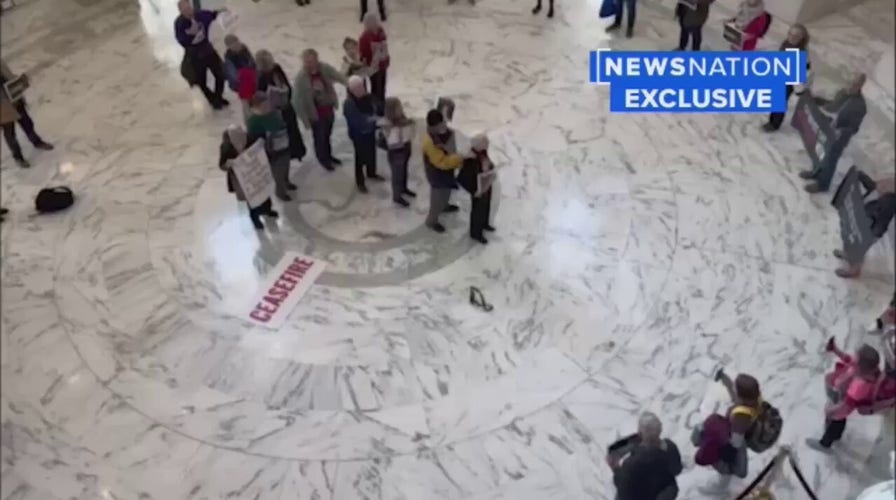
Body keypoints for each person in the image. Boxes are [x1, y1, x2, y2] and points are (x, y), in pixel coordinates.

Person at [808, 342, 882, 452]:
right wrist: (835, 350)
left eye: (856, 358)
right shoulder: (868, 372)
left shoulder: (859, 386)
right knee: (840, 421)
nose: (853, 359)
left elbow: (846, 404)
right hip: (844, 401)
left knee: (835, 423)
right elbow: (849, 359)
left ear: (859, 368)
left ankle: (825, 444)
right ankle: (837, 435)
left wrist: (831, 411)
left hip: (842, 405)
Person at [801, 74, 867, 193]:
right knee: (820, 153)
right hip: (827, 128)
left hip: (840, 136)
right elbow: (832, 105)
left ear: (860, 86)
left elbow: (854, 128)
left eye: (855, 84)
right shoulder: (843, 93)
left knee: (830, 160)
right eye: (850, 82)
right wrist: (817, 101)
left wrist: (842, 130)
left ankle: (823, 184)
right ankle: (815, 172)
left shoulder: (860, 106)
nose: (851, 86)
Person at [700, 370, 762, 493]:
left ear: (742, 396)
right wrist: (723, 377)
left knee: (728, 464)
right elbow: (732, 389)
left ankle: (721, 487)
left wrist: (726, 451)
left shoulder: (741, 416)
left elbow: (736, 442)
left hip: (734, 439)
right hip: (740, 433)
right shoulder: (753, 399)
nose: (734, 389)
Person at [292, 49, 347, 171]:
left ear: (317, 60)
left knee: (327, 135)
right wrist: (305, 121)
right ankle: (323, 159)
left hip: (328, 109)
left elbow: (338, 76)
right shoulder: (301, 78)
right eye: (306, 62)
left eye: (311, 61)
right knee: (319, 138)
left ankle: (328, 155)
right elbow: (296, 102)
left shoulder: (324, 68)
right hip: (315, 115)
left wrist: (350, 84)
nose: (309, 64)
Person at [607, 413, 683, 500]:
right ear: (660, 429)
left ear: (639, 433)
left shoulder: (632, 464)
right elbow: (677, 470)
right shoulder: (670, 448)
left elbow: (623, 490)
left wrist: (616, 469)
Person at [832, 175, 895, 278]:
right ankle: (848, 254)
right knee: (852, 236)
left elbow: (881, 222)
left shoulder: (889, 202)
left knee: (860, 245)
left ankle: (854, 269)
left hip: (876, 224)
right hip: (870, 212)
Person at [219, 124, 279, 229]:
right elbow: (222, 165)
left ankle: (267, 210)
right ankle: (255, 218)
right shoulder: (226, 147)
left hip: (256, 173)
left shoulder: (251, 140)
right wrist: (229, 164)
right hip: (242, 179)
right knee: (251, 198)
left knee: (264, 193)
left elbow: (260, 150)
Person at [174, 0, 229, 110]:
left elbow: (211, 15)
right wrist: (189, 35)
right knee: (201, 81)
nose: (188, 11)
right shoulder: (179, 23)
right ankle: (212, 99)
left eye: (189, 8)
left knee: (220, 74)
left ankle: (218, 98)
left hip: (208, 50)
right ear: (180, 11)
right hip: (195, 55)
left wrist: (220, 12)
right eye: (185, 9)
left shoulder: (199, 14)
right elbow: (181, 39)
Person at [0, 59, 53, 168]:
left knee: (27, 122)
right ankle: (18, 157)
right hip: (2, 105)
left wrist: (20, 82)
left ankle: (37, 142)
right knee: (10, 133)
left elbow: (8, 76)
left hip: (14, 98)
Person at [256, 50, 306, 162]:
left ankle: (298, 151)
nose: (270, 66)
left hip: (287, 106)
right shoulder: (260, 78)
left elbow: (285, 82)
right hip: (276, 112)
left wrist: (286, 91)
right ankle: (289, 155)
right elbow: (261, 97)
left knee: (293, 129)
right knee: (283, 135)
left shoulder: (276, 68)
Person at [246, 93, 295, 201]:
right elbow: (254, 139)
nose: (268, 106)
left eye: (268, 103)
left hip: (284, 144)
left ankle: (286, 182)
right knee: (278, 172)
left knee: (285, 166)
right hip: (272, 151)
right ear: (257, 106)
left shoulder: (274, 113)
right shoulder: (253, 121)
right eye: (264, 104)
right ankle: (280, 192)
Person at [762, 24, 811, 132]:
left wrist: (799, 88)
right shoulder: (786, 44)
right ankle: (771, 120)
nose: (792, 37)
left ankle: (775, 124)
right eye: (791, 34)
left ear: (802, 38)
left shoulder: (800, 52)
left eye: (796, 36)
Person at [423, 109, 463, 233]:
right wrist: (460, 159)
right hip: (436, 174)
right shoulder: (430, 142)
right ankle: (431, 221)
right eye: (442, 124)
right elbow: (441, 162)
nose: (445, 125)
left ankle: (444, 205)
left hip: (447, 171)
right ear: (435, 126)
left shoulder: (445, 133)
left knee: (447, 190)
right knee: (436, 199)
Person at [343, 76, 382, 193]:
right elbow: (357, 121)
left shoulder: (368, 97)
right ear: (351, 90)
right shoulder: (349, 104)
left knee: (372, 153)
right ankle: (360, 182)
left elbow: (378, 106)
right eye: (357, 88)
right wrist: (373, 120)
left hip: (370, 131)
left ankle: (371, 173)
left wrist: (379, 115)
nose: (361, 89)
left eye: (361, 86)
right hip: (359, 135)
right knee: (360, 158)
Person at [457, 133, 497, 244]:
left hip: (486, 184)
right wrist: (475, 190)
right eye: (485, 143)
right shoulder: (470, 158)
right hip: (477, 188)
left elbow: (488, 165)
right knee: (478, 210)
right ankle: (476, 233)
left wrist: (490, 169)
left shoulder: (483, 154)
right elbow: (468, 176)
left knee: (486, 205)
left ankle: (484, 223)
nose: (487, 145)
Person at [380, 97, 416, 206]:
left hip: (405, 148)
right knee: (397, 175)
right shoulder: (387, 123)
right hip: (396, 151)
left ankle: (404, 188)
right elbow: (391, 140)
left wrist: (410, 125)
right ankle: (397, 196)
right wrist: (400, 130)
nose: (401, 109)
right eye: (398, 107)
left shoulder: (402, 118)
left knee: (404, 171)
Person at [359, 13, 389, 115]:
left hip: (383, 65)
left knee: (382, 88)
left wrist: (386, 59)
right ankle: (377, 110)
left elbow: (385, 46)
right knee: (376, 89)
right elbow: (363, 54)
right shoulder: (364, 38)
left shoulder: (381, 32)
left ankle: (382, 108)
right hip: (373, 68)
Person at [224, 35, 257, 120]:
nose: (236, 45)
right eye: (233, 44)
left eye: (237, 42)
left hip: (251, 77)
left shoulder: (244, 48)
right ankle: (249, 119)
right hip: (241, 83)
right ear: (229, 47)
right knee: (245, 102)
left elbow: (251, 60)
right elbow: (232, 74)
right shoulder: (229, 57)